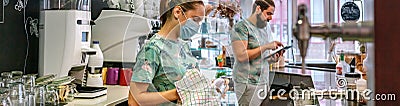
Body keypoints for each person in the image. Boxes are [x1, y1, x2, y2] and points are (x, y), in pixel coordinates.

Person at [129, 0, 207, 105]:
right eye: (195, 19)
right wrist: (176, 94)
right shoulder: (153, 49)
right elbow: (134, 100)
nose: (196, 26)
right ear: (178, 12)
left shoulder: (184, 47)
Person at [230, 0, 285, 105]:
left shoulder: (263, 29)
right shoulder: (241, 28)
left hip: (263, 82)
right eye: (268, 13)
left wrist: (272, 59)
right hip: (247, 84)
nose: (271, 18)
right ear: (258, 9)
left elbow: (259, 58)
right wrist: (267, 46)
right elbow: (241, 56)